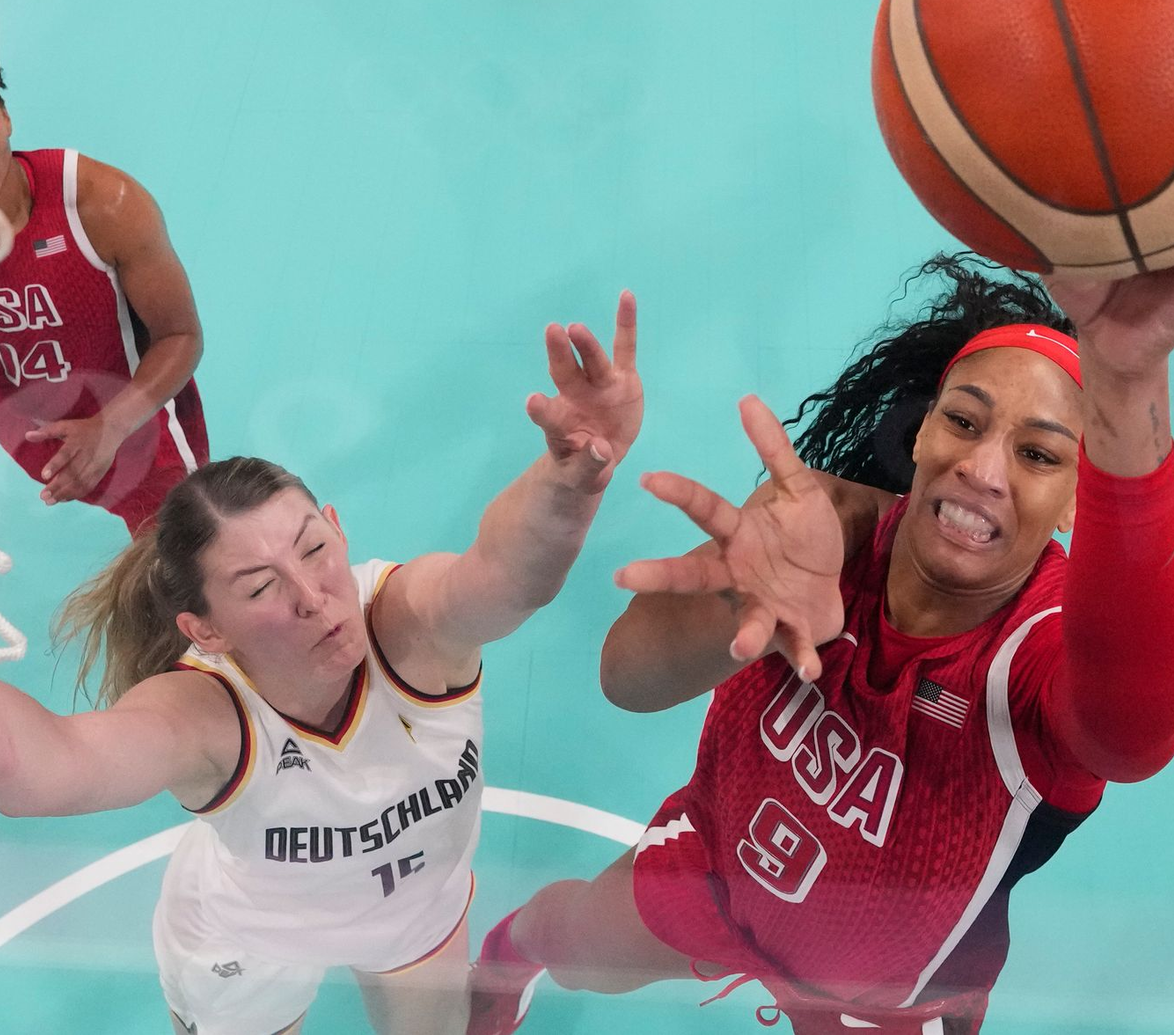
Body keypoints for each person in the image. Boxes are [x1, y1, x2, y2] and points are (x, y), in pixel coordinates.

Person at [466, 255, 1174, 1034]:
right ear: (923, 428)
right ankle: (506, 958)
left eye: (1037, 454)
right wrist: (745, 596)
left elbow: (1130, 738)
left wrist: (1131, 383)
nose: (981, 469)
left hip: (886, 1008)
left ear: (1079, 498)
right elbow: (624, 677)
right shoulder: (816, 532)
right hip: (715, 871)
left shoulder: (1038, 656)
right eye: (963, 421)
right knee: (562, 940)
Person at [0, 291, 642, 1035]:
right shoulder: (203, 717)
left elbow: (507, 575)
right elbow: (41, 768)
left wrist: (572, 478)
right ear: (207, 629)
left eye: (315, 550)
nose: (313, 598)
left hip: (413, 906)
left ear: (337, 527)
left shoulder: (409, 626)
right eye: (261, 587)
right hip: (249, 937)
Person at [0, 61, 209, 539]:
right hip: (25, 427)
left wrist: (110, 427)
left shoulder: (101, 204)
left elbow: (181, 336)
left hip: (137, 425)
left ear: (6, 116)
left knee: (186, 565)